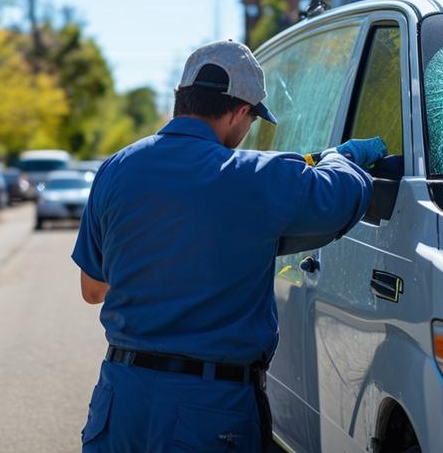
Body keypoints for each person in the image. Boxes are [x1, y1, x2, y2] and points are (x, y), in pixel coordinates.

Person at [72, 39, 386, 452]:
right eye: (252, 119)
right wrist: (343, 158)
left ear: (182, 98)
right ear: (240, 111)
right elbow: (337, 195)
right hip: (207, 408)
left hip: (120, 399)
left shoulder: (115, 169)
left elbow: (92, 289)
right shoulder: (254, 178)